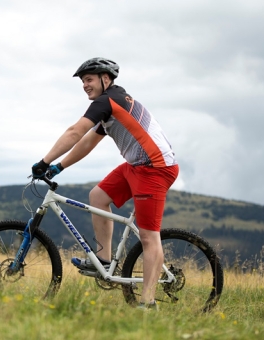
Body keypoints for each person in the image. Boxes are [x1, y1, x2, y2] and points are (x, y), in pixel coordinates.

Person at [31, 57, 179, 310]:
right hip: (137, 166)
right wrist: (59, 166)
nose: (84, 85)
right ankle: (105, 259)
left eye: (88, 80)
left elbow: (75, 132)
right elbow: (87, 141)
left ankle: (148, 302)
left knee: (148, 236)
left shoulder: (107, 101)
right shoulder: (112, 104)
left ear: (105, 79)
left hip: (155, 169)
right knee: (98, 196)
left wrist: (45, 160)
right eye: (82, 81)